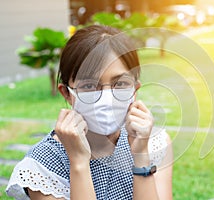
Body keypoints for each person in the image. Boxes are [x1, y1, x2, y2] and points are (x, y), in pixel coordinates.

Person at [6, 25, 173, 200]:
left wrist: (141, 157)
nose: (107, 98)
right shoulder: (43, 164)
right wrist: (78, 162)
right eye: (89, 86)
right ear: (67, 93)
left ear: (134, 90)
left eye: (120, 83)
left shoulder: (154, 142)